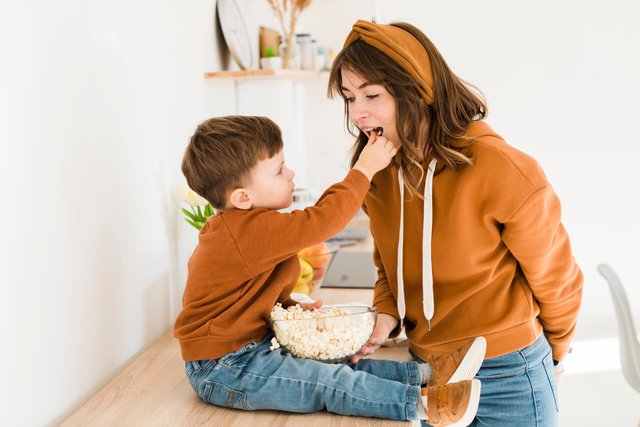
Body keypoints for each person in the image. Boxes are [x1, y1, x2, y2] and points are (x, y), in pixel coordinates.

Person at [328, 20, 584, 427]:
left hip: (509, 374)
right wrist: (387, 313)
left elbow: (556, 277)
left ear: (417, 89)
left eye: (372, 95)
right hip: (429, 375)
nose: (358, 113)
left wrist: (557, 351)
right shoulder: (378, 172)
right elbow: (388, 268)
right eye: (349, 98)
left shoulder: (500, 167)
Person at [174, 115, 487, 426]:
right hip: (224, 367)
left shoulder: (246, 228)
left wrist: (292, 309)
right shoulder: (245, 231)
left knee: (333, 364)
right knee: (328, 382)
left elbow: (242, 299)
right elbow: (322, 221)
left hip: (246, 350)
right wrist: (364, 168)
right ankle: (422, 405)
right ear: (243, 197)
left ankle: (427, 376)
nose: (290, 173)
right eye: (279, 170)